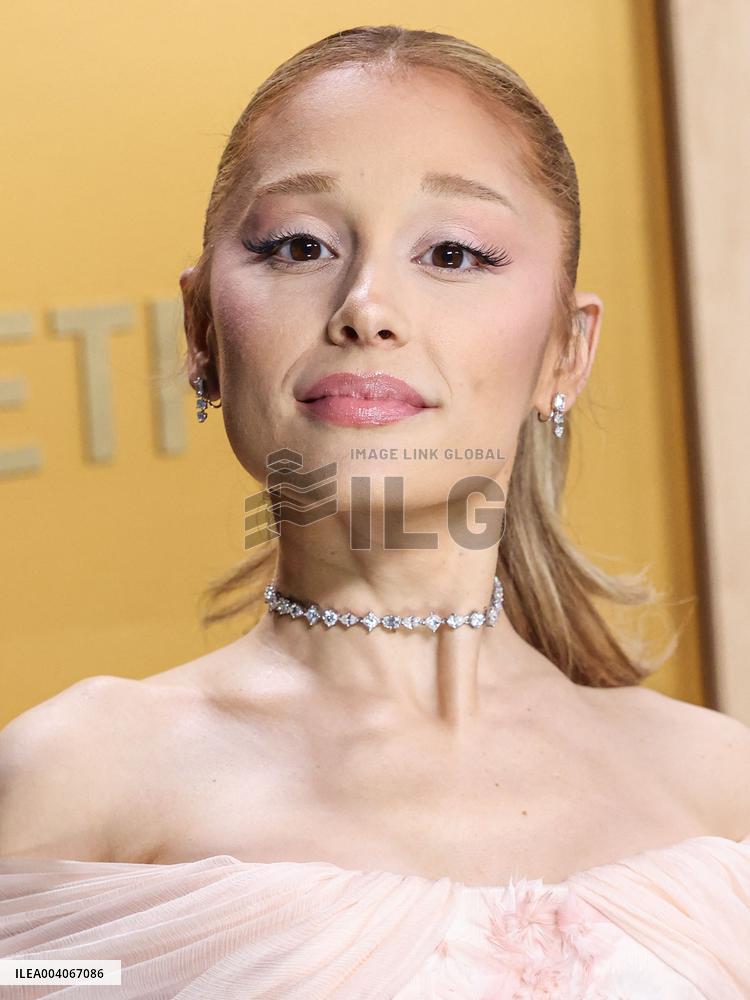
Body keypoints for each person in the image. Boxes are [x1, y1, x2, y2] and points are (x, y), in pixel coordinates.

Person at [1, 24, 749, 1000]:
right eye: (300, 245)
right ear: (200, 332)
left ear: (567, 349)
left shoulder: (717, 786)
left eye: (453, 251)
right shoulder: (83, 770)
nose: (367, 305)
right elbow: (33, 970)